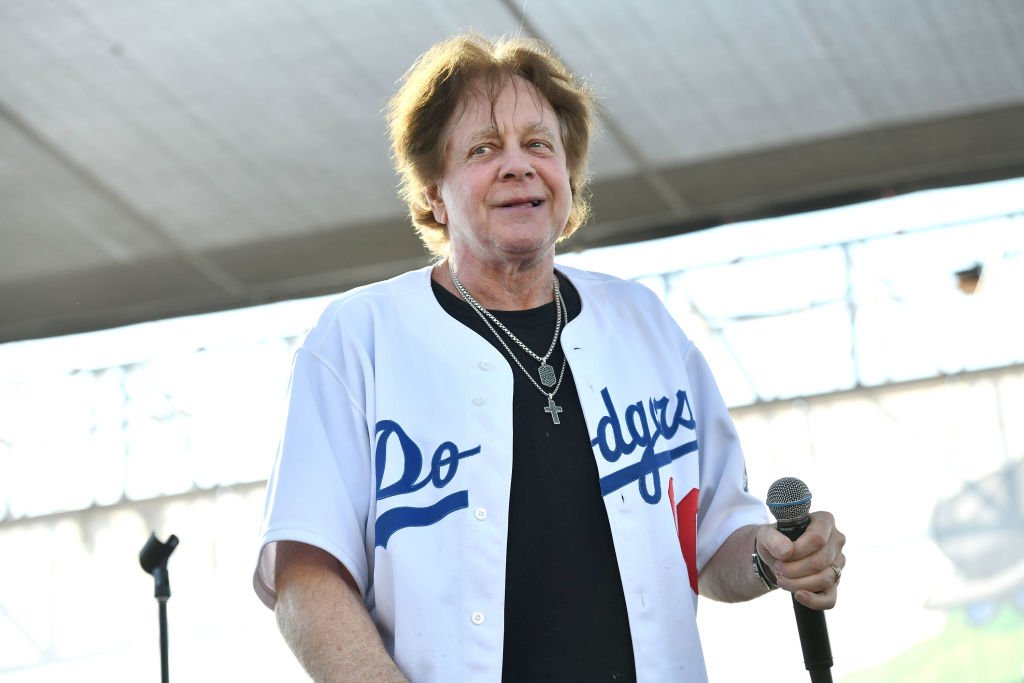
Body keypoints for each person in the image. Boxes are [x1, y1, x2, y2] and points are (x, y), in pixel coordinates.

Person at [253, 32, 846, 683]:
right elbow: (306, 573)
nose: (518, 165)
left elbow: (714, 539)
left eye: (539, 144)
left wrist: (771, 556)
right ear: (432, 193)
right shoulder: (358, 338)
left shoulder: (644, 325)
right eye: (483, 149)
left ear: (567, 176)